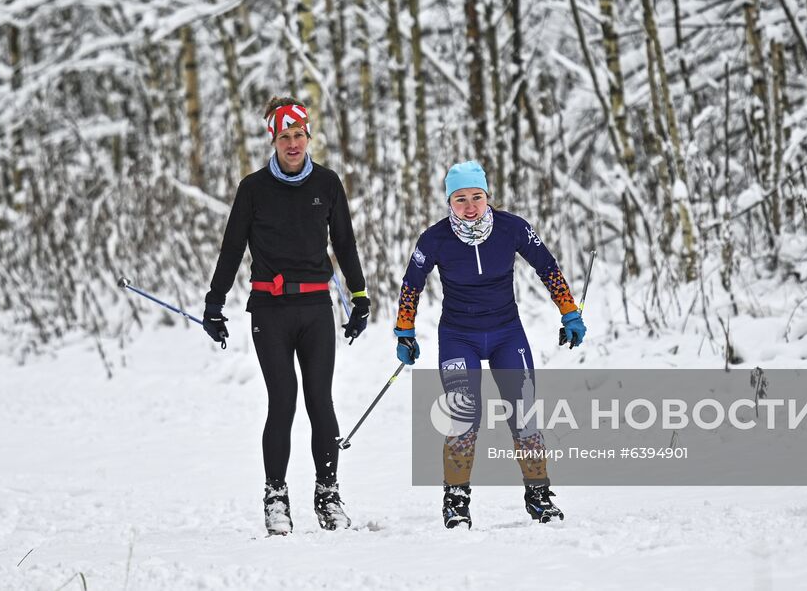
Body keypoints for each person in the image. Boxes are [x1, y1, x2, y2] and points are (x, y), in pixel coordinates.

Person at [203, 96, 371, 536]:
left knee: (321, 400)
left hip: (317, 308)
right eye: (284, 136)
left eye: (299, 135)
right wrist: (214, 302)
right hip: (271, 310)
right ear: (273, 139)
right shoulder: (253, 188)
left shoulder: (328, 184)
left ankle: (328, 493)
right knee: (283, 401)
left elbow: (346, 245)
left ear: (308, 137)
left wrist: (360, 297)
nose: (293, 143)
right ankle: (276, 497)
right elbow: (232, 249)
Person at [394, 160, 586, 528]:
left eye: (477, 197)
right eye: (460, 198)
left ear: (488, 197)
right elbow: (411, 284)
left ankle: (539, 496)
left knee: (523, 415)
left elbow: (547, 267)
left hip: (506, 335)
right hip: (458, 337)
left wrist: (569, 312)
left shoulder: (513, 228)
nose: (470, 207)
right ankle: (456, 500)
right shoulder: (434, 238)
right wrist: (405, 330)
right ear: (449, 202)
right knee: (464, 418)